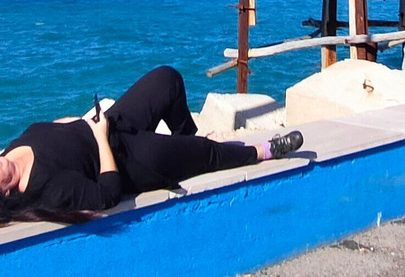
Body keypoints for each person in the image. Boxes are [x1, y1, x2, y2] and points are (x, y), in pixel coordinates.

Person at [0, 66, 303, 225]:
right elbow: (107, 194)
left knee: (167, 79)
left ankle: (187, 146)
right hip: (129, 160)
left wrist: (78, 122)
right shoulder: (47, 187)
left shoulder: (10, 150)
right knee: (206, 153)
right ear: (5, 192)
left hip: (109, 125)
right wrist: (100, 137)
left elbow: (51, 132)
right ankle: (262, 151)